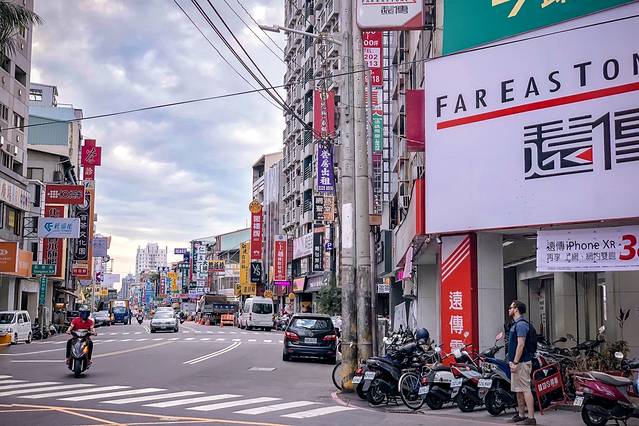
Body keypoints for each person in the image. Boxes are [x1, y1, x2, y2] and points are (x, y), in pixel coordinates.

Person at [507, 301, 536, 425]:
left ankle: (531, 418)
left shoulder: (521, 325)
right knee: (519, 390)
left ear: (516, 309)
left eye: (510, 308)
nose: (509, 310)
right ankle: (521, 415)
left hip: (522, 363)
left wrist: (515, 362)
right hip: (517, 363)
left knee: (525, 389)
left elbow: (521, 344)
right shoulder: (516, 324)